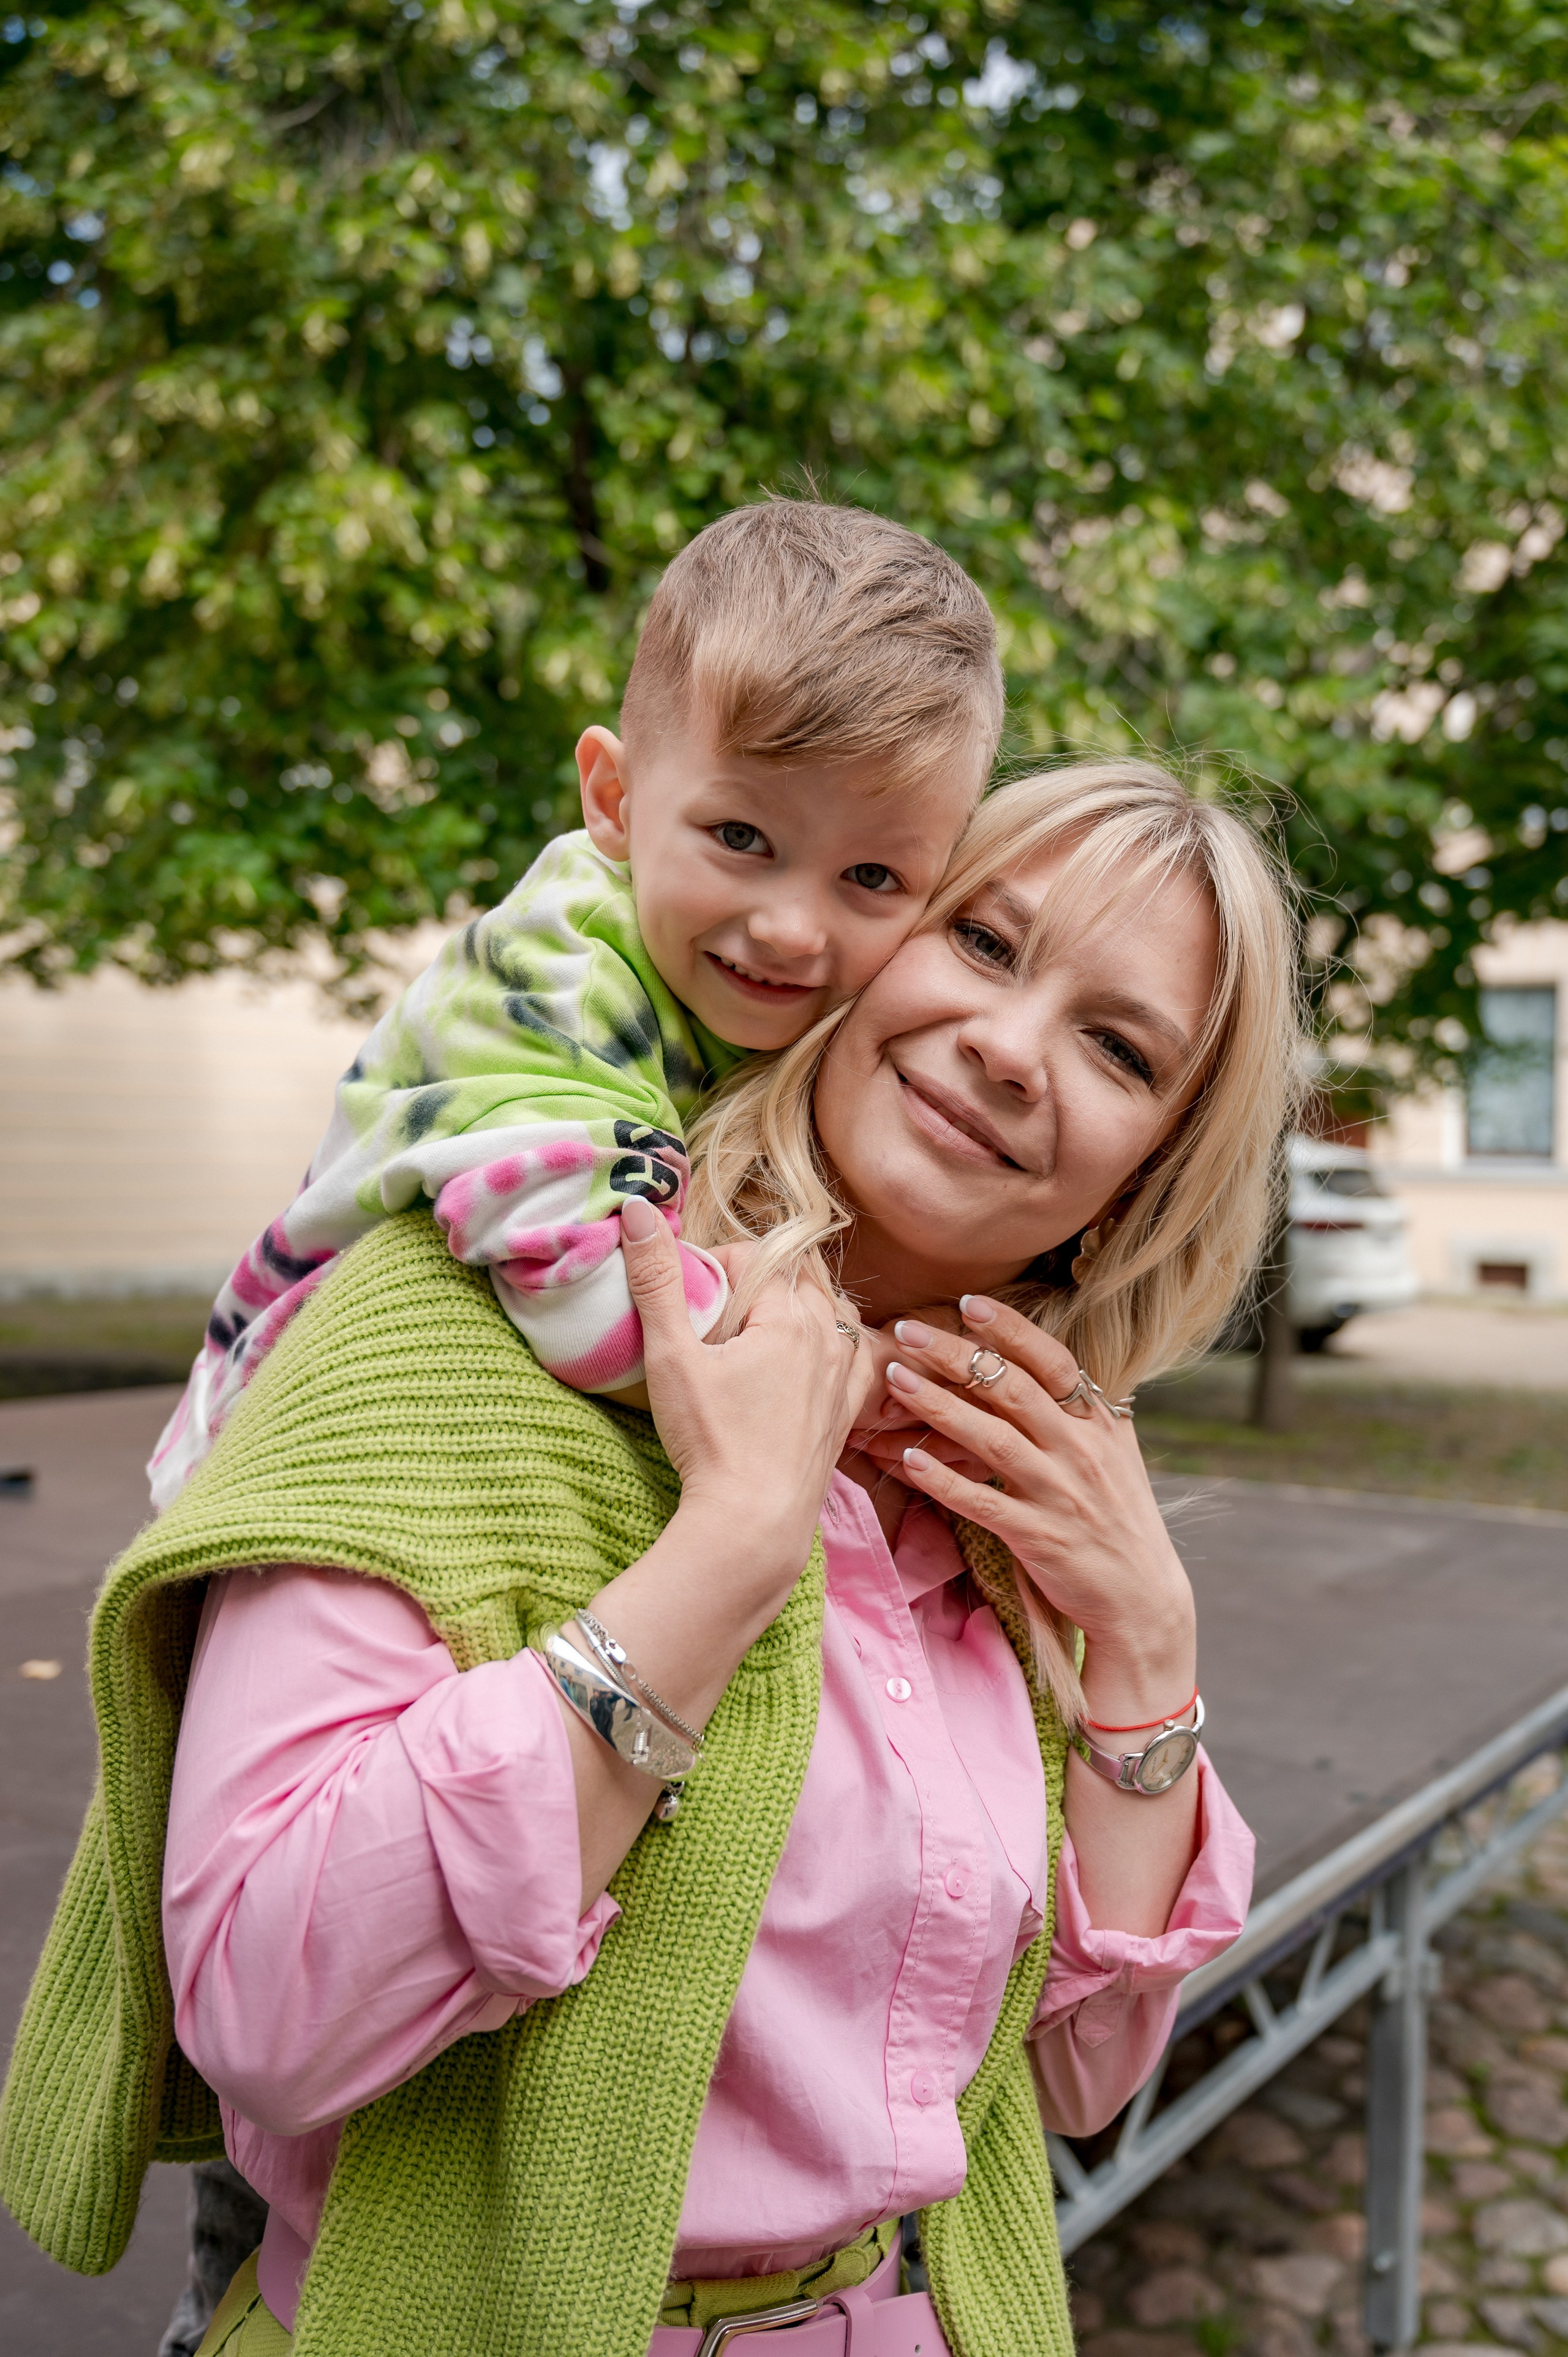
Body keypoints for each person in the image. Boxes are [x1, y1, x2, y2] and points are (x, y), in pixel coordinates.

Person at [0, 759, 1297, 2357]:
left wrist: (1146, 1659)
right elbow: (269, 2010)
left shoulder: (1020, 1503)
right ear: (859, 938)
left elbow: (1080, 2082)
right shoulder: (451, 1318)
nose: (1012, 1051)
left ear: (1150, 1175)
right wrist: (729, 1554)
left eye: (1117, 1046)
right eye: (983, 941)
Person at [147, 498, 1001, 1509]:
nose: (791, 929)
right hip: (292, 1445)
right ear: (616, 800)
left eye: (870, 877)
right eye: (740, 838)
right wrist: (855, 1374)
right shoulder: (547, 982)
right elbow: (605, 1315)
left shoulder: (749, 989)